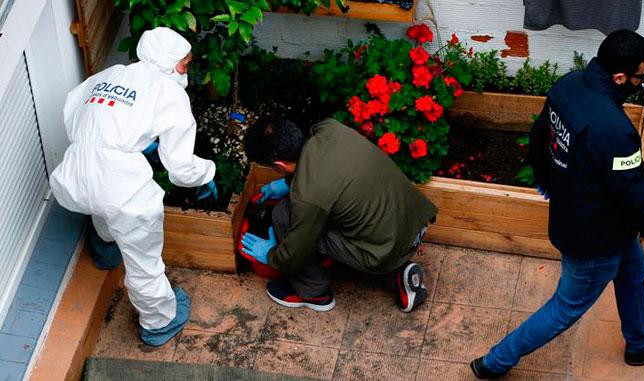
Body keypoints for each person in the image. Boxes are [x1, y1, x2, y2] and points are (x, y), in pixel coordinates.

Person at [470, 30, 644, 378]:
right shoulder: (613, 130)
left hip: (593, 218)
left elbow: (539, 136)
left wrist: (549, 183)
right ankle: (495, 362)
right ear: (620, 78)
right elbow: (633, 191)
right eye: (642, 76)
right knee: (565, 308)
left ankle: (641, 345)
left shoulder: (569, 86)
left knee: (634, 274)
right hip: (593, 237)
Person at [50, 27, 217, 346]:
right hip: (119, 186)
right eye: (185, 63)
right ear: (169, 63)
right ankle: (159, 321)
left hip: (73, 174)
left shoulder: (110, 74)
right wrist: (207, 174)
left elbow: (75, 113)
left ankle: (104, 249)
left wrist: (122, 143)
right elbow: (180, 169)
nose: (186, 70)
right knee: (144, 260)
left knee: (102, 209)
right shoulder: (170, 93)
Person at [241, 117, 437, 312]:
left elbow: (295, 251)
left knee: (283, 214)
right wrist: (288, 183)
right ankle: (397, 274)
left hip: (383, 251)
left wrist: (269, 254)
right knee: (343, 214)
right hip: (415, 224)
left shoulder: (308, 196)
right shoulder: (329, 128)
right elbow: (329, 175)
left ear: (279, 165)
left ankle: (313, 293)